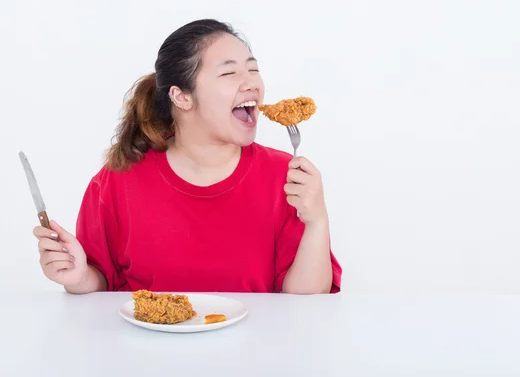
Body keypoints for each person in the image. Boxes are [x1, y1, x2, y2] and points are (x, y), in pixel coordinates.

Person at [32, 19, 342, 295]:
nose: (252, 83)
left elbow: (307, 302)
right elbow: (100, 286)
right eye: (230, 72)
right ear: (182, 96)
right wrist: (77, 276)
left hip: (254, 354)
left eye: (253, 69)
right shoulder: (117, 181)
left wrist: (316, 220)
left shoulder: (287, 178)